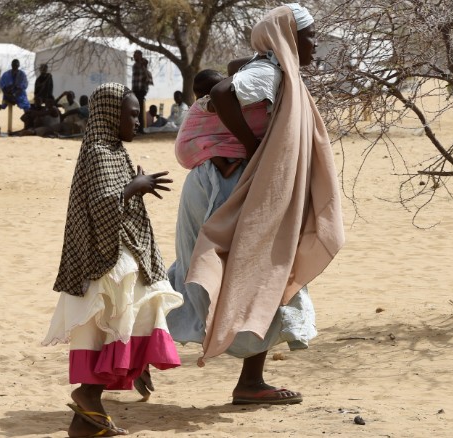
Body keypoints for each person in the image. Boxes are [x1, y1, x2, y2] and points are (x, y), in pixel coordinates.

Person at [165, 3, 344, 405]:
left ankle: (140, 349)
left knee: (215, 266)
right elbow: (224, 91)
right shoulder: (269, 72)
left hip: (220, 179)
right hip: (229, 183)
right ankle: (249, 382)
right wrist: (252, 146)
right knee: (268, 267)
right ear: (289, 37)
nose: (315, 44)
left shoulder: (273, 69)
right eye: (310, 36)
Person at [42, 83, 183, 437]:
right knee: (123, 321)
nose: (137, 122)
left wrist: (135, 184)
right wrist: (136, 186)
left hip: (115, 256)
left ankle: (85, 421)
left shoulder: (111, 150)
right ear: (110, 115)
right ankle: (88, 395)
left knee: (118, 326)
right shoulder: (100, 152)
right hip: (109, 260)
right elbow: (106, 206)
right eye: (131, 114)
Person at [173, 69, 268, 178]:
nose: (226, 85)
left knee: (210, 145)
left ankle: (224, 167)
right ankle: (224, 167)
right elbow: (217, 102)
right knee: (206, 143)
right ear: (210, 93)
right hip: (188, 145)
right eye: (222, 84)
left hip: (191, 148)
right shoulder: (204, 102)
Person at [131, 50, 151, 133]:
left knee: (139, 110)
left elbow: (145, 78)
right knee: (137, 109)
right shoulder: (137, 65)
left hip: (140, 90)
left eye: (136, 55)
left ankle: (140, 128)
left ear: (140, 56)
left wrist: (145, 89)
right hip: (136, 89)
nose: (134, 57)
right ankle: (138, 128)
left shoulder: (141, 65)